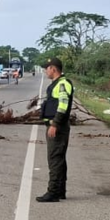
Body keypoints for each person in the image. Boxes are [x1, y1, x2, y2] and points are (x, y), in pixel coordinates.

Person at [36, 57, 74, 203]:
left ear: (53, 68)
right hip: (56, 126)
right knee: (59, 159)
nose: (46, 71)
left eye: (47, 68)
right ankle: (60, 191)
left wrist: (55, 124)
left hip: (58, 127)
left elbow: (63, 105)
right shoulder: (56, 84)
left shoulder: (63, 84)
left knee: (55, 159)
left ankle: (53, 192)